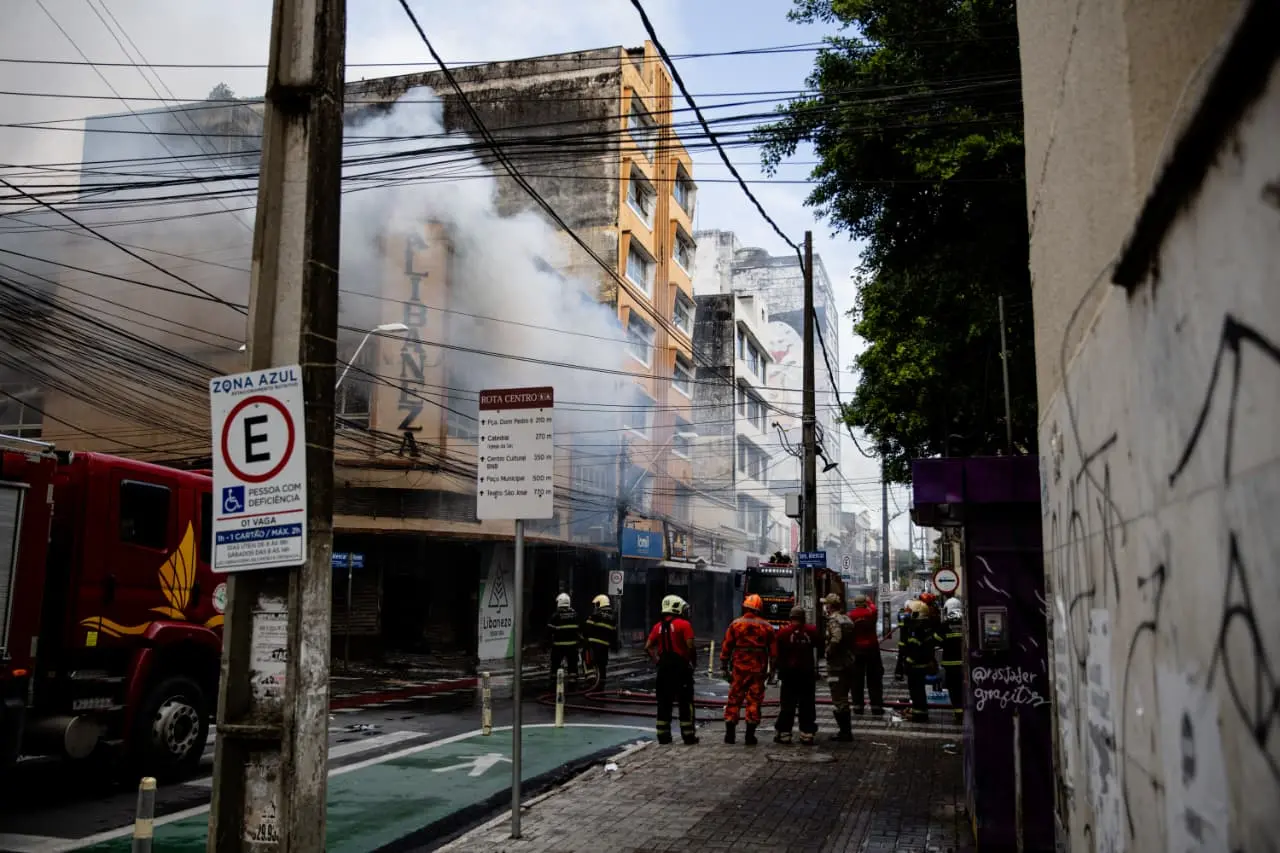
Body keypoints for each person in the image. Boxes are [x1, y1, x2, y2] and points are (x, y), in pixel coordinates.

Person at [720, 594, 774, 745]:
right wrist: (772, 671)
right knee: (754, 701)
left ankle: (730, 734)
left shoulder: (736, 624)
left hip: (739, 669)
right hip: (758, 670)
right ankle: (750, 736)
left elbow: (727, 647)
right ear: (759, 608)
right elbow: (774, 652)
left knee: (734, 698)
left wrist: (724, 666)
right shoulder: (766, 626)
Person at [645, 594, 698, 745]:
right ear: (676, 608)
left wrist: (657, 661)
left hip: (663, 669)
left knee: (664, 703)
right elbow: (690, 646)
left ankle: (663, 736)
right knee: (685, 702)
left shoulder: (657, 626)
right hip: (681, 669)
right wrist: (692, 663)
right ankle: (688, 736)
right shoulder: (684, 625)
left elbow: (648, 647)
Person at [772, 605, 818, 745]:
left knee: (787, 704)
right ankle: (807, 734)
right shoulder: (812, 631)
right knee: (807, 704)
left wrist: (774, 671)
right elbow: (820, 646)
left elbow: (776, 654)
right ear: (803, 618)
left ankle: (784, 734)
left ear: (790, 617)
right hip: (807, 674)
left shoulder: (783, 633)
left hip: (789, 674)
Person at [896, 599, 940, 722]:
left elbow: (915, 650)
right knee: (918, 691)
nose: (908, 614)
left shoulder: (917, 629)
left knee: (916, 692)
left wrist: (907, 662)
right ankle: (918, 711)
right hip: (921, 665)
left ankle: (920, 715)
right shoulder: (925, 626)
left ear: (917, 614)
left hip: (916, 667)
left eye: (911, 612)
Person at [822, 592, 857, 741]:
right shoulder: (847, 619)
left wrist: (829, 652)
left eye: (826, 604)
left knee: (839, 698)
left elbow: (836, 638)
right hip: (849, 662)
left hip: (837, 665)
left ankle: (845, 732)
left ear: (830, 606)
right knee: (844, 697)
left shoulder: (833, 620)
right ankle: (845, 731)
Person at [847, 594, 885, 716]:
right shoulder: (871, 613)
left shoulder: (850, 615)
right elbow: (874, 607)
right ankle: (876, 706)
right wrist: (869, 601)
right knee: (874, 678)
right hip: (872, 648)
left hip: (856, 649)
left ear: (855, 603)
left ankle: (858, 706)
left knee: (856, 679)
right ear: (865, 603)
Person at [545, 593, 582, 692]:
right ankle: (572, 684)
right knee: (573, 665)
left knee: (555, 665)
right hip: (572, 646)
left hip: (558, 646)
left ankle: (553, 684)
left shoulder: (556, 616)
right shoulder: (575, 615)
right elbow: (579, 630)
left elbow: (548, 631)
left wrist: (545, 643)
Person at [583, 594, 620, 689]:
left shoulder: (595, 615)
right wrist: (614, 645)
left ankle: (590, 680)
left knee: (587, 659)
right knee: (602, 665)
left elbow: (587, 628)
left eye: (596, 604)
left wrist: (584, 639)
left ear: (600, 604)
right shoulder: (612, 618)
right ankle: (601, 684)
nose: (595, 606)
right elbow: (614, 634)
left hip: (593, 645)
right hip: (605, 646)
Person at [940, 596, 965, 721]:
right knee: (964, 688)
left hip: (950, 664)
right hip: (965, 663)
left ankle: (958, 713)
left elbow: (937, 640)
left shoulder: (946, 624)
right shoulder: (966, 621)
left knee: (954, 689)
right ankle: (965, 711)